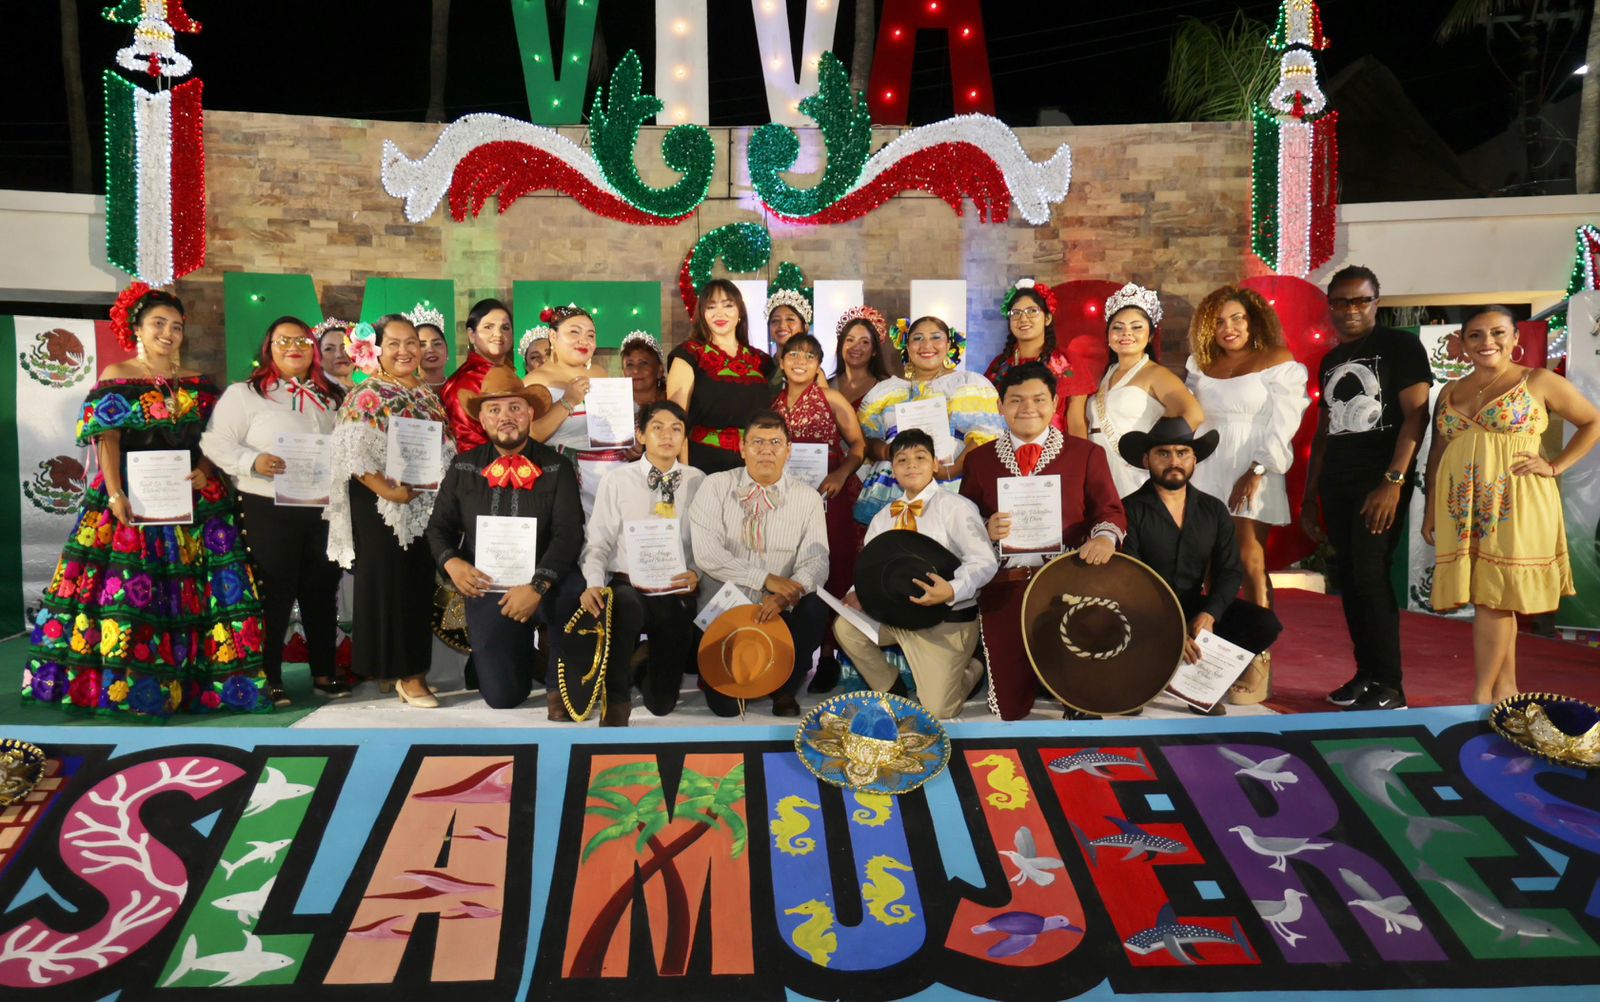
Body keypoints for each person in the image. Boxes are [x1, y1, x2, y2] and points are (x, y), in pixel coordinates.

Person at [23, 286, 271, 719]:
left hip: (192, 500)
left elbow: (217, 438)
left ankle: (199, 686)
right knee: (131, 591)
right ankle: (131, 688)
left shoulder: (199, 382)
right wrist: (115, 493)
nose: (168, 333)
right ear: (137, 328)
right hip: (132, 500)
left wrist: (205, 470)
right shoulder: (117, 376)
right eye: (158, 323)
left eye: (176, 326)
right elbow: (108, 441)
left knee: (201, 594)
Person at [1422, 305, 1600, 705]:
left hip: (1519, 502)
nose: (1487, 342)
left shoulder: (1537, 381)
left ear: (1515, 339)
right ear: (1463, 343)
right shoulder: (1449, 391)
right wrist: (1432, 507)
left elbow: (1593, 422)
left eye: (1498, 332)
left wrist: (1555, 466)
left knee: (1495, 596)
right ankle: (1506, 691)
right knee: (1492, 598)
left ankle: (1480, 697)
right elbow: (1438, 451)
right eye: (1476, 335)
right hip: (1461, 507)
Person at [960, 362, 1126, 720]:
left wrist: (1104, 540)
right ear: (1000, 406)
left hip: (1069, 583)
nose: (1027, 408)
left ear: (1054, 403)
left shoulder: (1086, 454)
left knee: (1082, 703)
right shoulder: (979, 460)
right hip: (1006, 585)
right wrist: (985, 528)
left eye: (1038, 399)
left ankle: (1069, 689)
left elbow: (1110, 511)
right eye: (1016, 400)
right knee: (1009, 710)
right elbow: (963, 522)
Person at [1300, 265, 1433, 712]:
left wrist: (1393, 482)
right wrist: (1310, 497)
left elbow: (1417, 416)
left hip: (1379, 482)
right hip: (1337, 483)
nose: (1351, 309)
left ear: (1377, 302)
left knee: (1371, 576)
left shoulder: (1401, 346)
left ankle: (1390, 685)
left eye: (1361, 300)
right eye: (1341, 301)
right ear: (1331, 306)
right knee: (1351, 578)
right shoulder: (1331, 361)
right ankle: (1366, 675)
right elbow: (1324, 432)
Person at [201, 317, 348, 706]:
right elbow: (214, 442)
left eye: (302, 340)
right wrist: (253, 461)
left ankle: (324, 672)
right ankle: (269, 677)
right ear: (269, 348)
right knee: (274, 593)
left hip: (322, 508)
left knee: (322, 590)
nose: (294, 347)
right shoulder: (245, 394)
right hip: (267, 505)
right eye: (284, 340)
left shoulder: (333, 396)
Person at [426, 368, 584, 713]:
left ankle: (559, 683)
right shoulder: (463, 467)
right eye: (494, 410)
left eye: (515, 407)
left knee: (574, 592)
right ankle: (528, 659)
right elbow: (438, 528)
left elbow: (569, 534)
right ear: (482, 419)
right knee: (502, 698)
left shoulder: (557, 466)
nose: (505, 417)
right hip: (491, 584)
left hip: (548, 580)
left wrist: (537, 586)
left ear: (530, 413)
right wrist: (453, 563)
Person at [1184, 285, 1308, 704]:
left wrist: (1258, 469)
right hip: (1207, 467)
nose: (1229, 327)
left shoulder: (1278, 361)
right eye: (1219, 321)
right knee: (1207, 563)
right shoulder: (1201, 366)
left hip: (1254, 466)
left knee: (1249, 558)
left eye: (1237, 318)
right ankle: (1209, 661)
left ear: (1253, 320)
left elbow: (1285, 420)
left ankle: (1259, 662)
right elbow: (1192, 418)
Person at [326, 315, 454, 707]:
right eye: (394, 343)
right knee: (391, 587)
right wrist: (389, 492)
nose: (405, 350)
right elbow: (351, 451)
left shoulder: (426, 393)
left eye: (412, 342)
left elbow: (442, 448)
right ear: (377, 349)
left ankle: (403, 671)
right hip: (381, 505)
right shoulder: (368, 392)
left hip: (421, 503)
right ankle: (409, 676)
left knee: (416, 585)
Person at [836, 430, 996, 719]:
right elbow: (870, 566)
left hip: (946, 621)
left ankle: (973, 668)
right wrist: (855, 592)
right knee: (845, 626)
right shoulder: (883, 517)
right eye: (902, 459)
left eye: (920, 457)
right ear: (892, 469)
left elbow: (984, 561)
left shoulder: (955, 507)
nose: (911, 465)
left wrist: (951, 589)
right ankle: (891, 689)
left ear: (935, 464)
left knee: (938, 710)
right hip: (899, 619)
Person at [687, 411, 829, 717]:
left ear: (789, 450)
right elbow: (707, 554)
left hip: (779, 608)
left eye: (776, 442)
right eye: (757, 442)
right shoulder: (715, 485)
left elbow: (817, 561)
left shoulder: (808, 498)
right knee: (725, 708)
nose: (766, 450)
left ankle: (785, 689)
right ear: (742, 448)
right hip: (724, 607)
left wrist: (785, 595)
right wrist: (764, 578)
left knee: (816, 606)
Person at [570, 399, 705, 718]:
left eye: (676, 429)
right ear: (641, 435)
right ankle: (616, 700)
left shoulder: (698, 480)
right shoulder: (618, 480)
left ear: (684, 437)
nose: (667, 435)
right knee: (625, 606)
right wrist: (593, 583)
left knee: (661, 705)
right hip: (627, 584)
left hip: (674, 588)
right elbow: (598, 540)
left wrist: (696, 572)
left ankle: (642, 668)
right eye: (657, 427)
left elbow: (708, 542)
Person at [1118, 417, 1255, 717]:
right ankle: (1144, 676)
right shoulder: (1128, 509)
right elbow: (1129, 580)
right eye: (1163, 453)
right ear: (1146, 460)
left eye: (1182, 453)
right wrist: (1171, 632)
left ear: (1194, 460)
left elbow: (1230, 571)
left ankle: (1199, 684)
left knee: (1262, 623)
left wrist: (1210, 613)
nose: (1174, 462)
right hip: (1144, 612)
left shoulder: (1214, 510)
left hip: (1194, 609)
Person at [773, 332, 869, 692]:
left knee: (833, 566)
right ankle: (789, 651)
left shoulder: (832, 398)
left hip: (829, 494)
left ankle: (829, 655)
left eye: (809, 356)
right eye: (793, 354)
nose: (800, 361)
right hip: (786, 500)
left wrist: (841, 474)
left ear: (818, 365)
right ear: (781, 361)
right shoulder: (772, 404)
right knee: (790, 566)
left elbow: (858, 445)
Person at [856, 316, 1003, 521]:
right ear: (907, 346)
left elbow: (984, 439)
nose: (926, 345)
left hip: (953, 484)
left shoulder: (968, 384)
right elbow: (866, 441)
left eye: (935, 337)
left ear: (949, 344)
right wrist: (888, 451)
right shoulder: (885, 391)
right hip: (894, 487)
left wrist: (949, 472)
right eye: (917, 338)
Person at [1071, 283, 1205, 497]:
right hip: (1102, 470)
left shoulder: (1156, 374)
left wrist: (1158, 454)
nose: (1126, 333)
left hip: (1136, 474)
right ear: (1108, 334)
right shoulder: (1107, 374)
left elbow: (1194, 414)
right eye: (1118, 327)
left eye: (1136, 327)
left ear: (1150, 335)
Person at [526, 306, 629, 516]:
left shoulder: (600, 374)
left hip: (612, 476)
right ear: (553, 337)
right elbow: (529, 436)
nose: (584, 340)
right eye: (574, 332)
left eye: (591, 335)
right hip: (566, 480)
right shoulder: (536, 381)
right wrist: (567, 402)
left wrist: (629, 443)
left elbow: (612, 427)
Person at [667, 280, 777, 473]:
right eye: (711, 307)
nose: (719, 313)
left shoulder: (761, 360)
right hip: (704, 465)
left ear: (740, 312)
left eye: (728, 305)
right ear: (702, 314)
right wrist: (683, 474)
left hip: (755, 464)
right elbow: (675, 422)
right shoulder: (689, 354)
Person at [984, 278, 1106, 431]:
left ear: (1047, 318)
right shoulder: (998, 367)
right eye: (1016, 313)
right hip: (1006, 443)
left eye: (1032, 311)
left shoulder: (1068, 363)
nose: (1023, 318)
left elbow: (1076, 423)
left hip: (1056, 444)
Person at [440, 298, 516, 453]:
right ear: (471, 335)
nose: (498, 334)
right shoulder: (464, 383)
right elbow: (467, 444)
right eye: (488, 327)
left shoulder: (509, 373)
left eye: (505, 327)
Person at [832, 306, 891, 411]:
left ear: (874, 350)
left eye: (864, 342)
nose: (856, 347)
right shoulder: (827, 385)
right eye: (850, 340)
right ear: (841, 346)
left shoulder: (886, 389)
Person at [621, 331, 665, 413]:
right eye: (630, 365)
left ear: (660, 370)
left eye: (643, 363)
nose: (635, 371)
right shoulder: (613, 406)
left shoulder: (672, 404)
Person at [411, 304, 451, 391]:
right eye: (422, 345)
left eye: (437, 344)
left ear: (447, 350)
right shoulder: (406, 390)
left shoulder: (460, 386)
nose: (430, 350)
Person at [315, 318, 356, 390]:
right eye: (329, 349)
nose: (339, 355)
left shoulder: (368, 390)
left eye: (345, 347)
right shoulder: (311, 393)